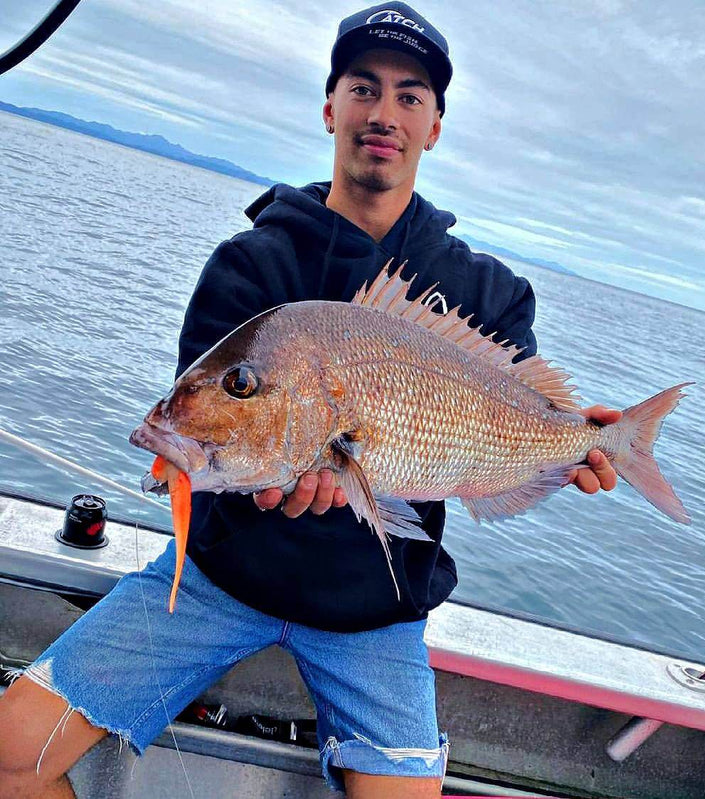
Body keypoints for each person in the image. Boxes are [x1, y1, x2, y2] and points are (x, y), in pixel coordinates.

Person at [0, 3, 619, 797]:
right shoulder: (249, 265)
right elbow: (204, 430)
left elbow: (514, 426)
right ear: (330, 107)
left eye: (409, 95)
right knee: (9, 761)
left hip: (377, 615)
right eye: (363, 88)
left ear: (434, 126)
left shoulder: (487, 292)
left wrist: (576, 450)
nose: (383, 113)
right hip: (219, 581)